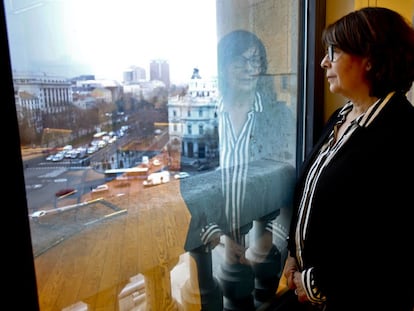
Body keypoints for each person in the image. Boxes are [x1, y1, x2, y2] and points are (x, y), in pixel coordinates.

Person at [283, 7, 414, 311]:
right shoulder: (341, 115)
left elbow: (394, 244)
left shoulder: (404, 134)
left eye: (334, 51)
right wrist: (293, 253)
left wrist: (317, 283)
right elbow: (312, 192)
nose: (323, 62)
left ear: (370, 58)